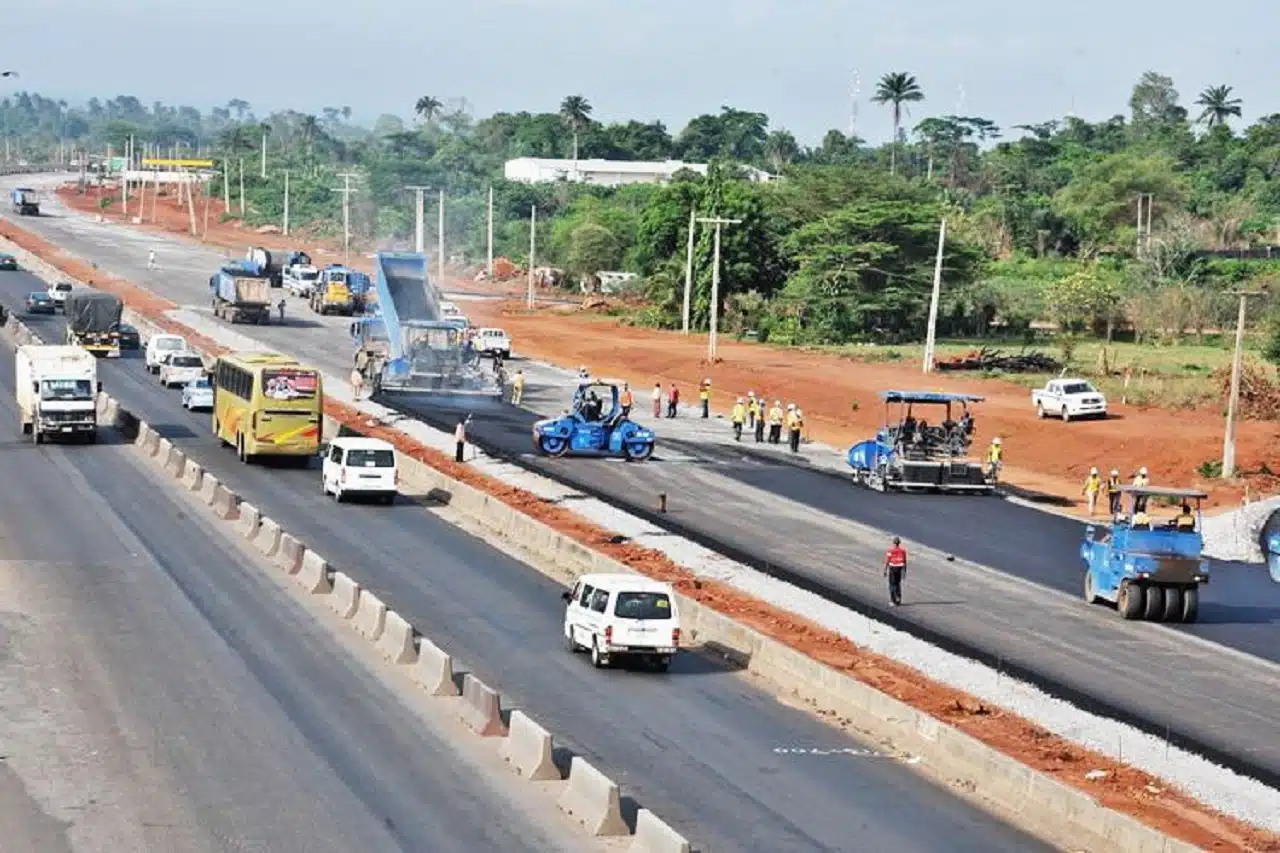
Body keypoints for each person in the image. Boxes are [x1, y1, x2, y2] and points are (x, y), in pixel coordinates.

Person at [884, 536, 907, 606]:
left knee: (892, 584)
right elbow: (904, 562)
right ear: (899, 543)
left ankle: (893, 600)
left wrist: (885, 570)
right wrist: (904, 572)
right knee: (897, 584)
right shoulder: (903, 551)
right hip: (899, 569)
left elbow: (887, 561)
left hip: (893, 568)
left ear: (893, 543)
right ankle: (898, 599)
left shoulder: (890, 551)